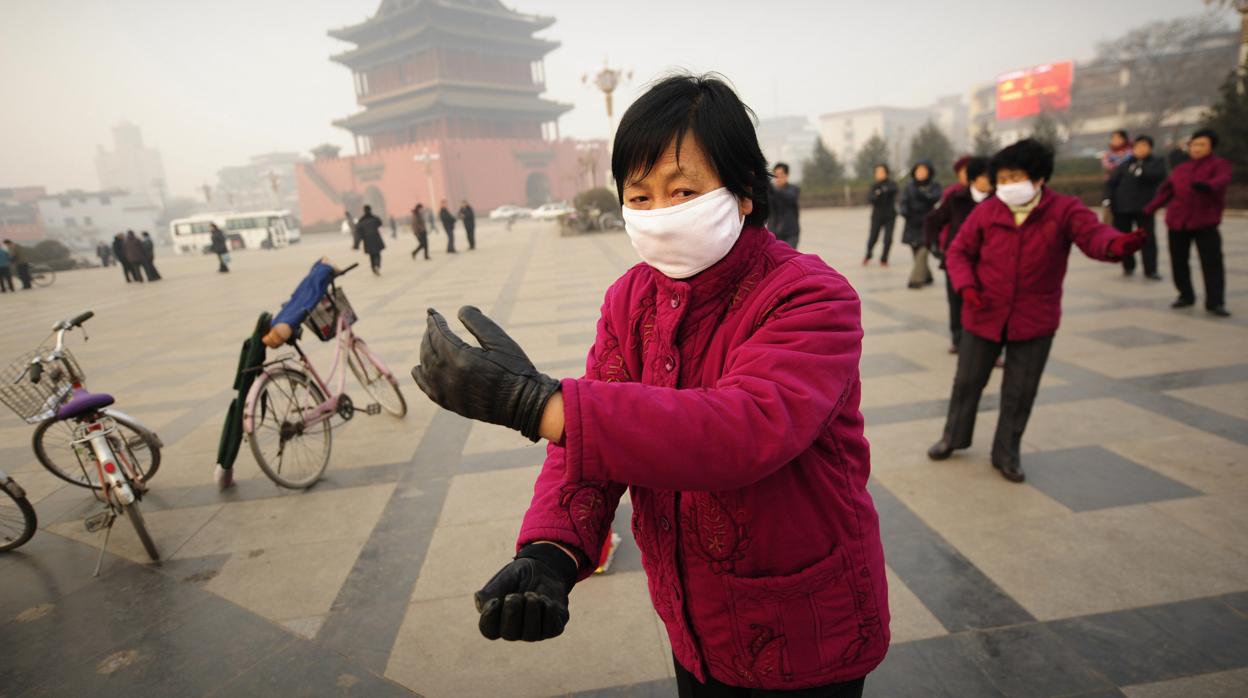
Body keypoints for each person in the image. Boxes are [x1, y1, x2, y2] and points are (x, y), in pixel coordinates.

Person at [412, 74, 888, 697]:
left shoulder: (809, 296)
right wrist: (551, 552)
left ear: (744, 190)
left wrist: (535, 403)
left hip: (804, 629)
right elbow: (592, 446)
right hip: (694, 622)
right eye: (639, 195)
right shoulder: (631, 298)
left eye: (683, 189)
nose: (660, 214)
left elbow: (742, 429)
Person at [928, 139, 1146, 483]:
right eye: (1002, 178)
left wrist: (1115, 245)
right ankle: (952, 437)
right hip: (983, 311)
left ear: (1039, 177)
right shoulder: (987, 211)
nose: (1007, 185)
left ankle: (1007, 452)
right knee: (967, 381)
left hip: (1034, 318)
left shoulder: (1064, 210)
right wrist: (967, 286)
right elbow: (958, 252)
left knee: (1020, 389)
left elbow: (1093, 235)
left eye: (1015, 176)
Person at [1144, 128, 1233, 317]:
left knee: (1212, 262)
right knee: (1178, 261)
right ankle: (1185, 295)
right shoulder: (1181, 168)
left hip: (1205, 222)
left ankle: (1215, 301)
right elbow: (1166, 192)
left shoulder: (1219, 165)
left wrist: (1208, 186)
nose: (1197, 148)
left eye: (1202, 145)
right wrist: (1150, 209)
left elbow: (1222, 181)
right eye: (1194, 144)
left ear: (1211, 147)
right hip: (1178, 222)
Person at [924, 156, 992, 353]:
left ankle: (989, 346)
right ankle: (958, 339)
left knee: (986, 304)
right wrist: (934, 246)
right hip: (956, 260)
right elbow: (933, 220)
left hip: (988, 263)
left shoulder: (997, 202)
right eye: (983, 177)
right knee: (956, 302)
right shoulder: (955, 198)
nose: (988, 181)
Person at [1104, 134, 1166, 280]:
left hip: (1144, 208)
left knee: (1148, 239)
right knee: (1124, 238)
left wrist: (1142, 171)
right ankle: (1128, 265)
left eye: (1145, 146)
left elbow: (1158, 177)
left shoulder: (1157, 162)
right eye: (1137, 146)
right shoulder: (1125, 164)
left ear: (1150, 148)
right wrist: (1107, 199)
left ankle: (1150, 270)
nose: (1140, 149)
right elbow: (1110, 183)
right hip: (1121, 208)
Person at [899, 161, 941, 288]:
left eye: (924, 170)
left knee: (923, 251)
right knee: (916, 252)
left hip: (928, 224)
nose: (921, 173)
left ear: (929, 172)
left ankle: (916, 280)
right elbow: (903, 202)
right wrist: (904, 212)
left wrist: (923, 194)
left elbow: (936, 198)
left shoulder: (934, 186)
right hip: (912, 223)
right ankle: (927, 276)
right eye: (918, 170)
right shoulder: (909, 186)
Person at [865, 164, 897, 266]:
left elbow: (894, 190)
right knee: (873, 237)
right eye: (877, 172)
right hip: (877, 216)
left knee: (888, 239)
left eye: (882, 172)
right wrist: (878, 193)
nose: (880, 174)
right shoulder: (874, 186)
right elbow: (871, 198)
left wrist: (882, 191)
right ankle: (868, 254)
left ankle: (884, 258)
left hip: (890, 216)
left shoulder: (892, 184)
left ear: (886, 173)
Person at [767, 161, 801, 248]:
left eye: (781, 175)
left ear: (787, 175)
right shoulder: (770, 192)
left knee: (789, 258)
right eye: (776, 175)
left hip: (790, 234)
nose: (778, 178)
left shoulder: (793, 189)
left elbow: (790, 197)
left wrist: (770, 188)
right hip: (774, 235)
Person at [355, 205, 385, 275]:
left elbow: (358, 232)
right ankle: (377, 265)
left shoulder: (361, 220)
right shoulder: (374, 218)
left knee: (371, 255)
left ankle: (373, 268)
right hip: (376, 238)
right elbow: (380, 223)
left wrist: (356, 244)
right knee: (377, 254)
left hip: (367, 240)